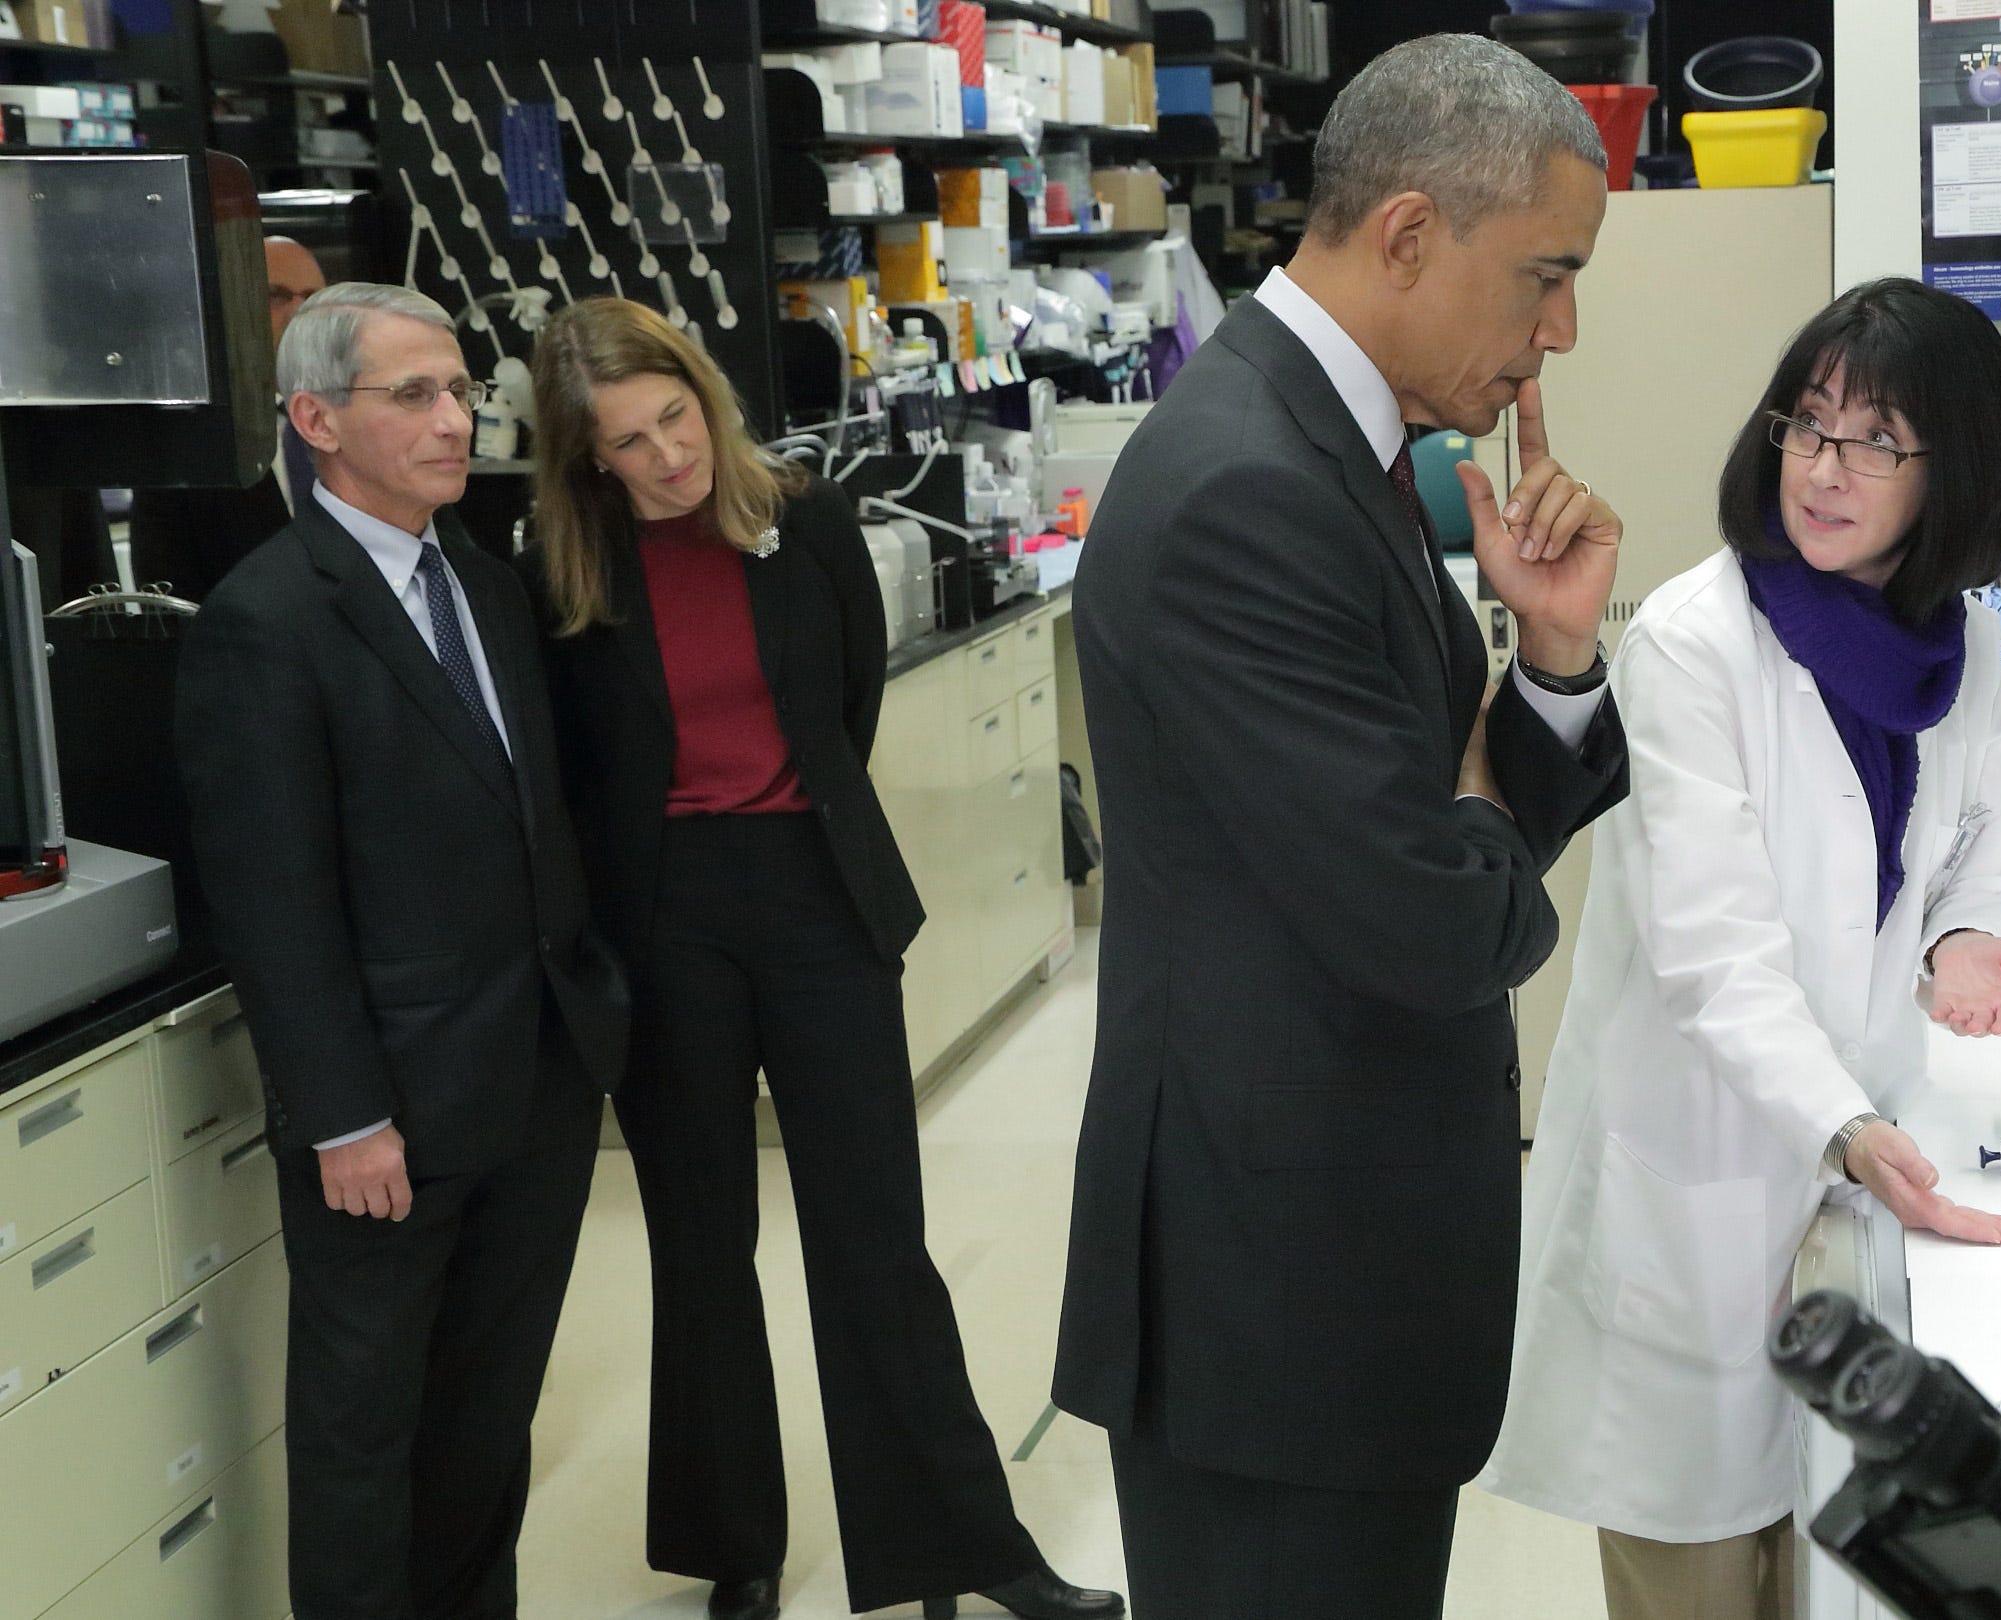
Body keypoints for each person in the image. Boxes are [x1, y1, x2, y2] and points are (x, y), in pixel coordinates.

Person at [1053, 33, 1631, 1620]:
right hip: (1274, 1292)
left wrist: (1551, 664)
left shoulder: (1342, 446)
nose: (1557, 333)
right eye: (1544, 277)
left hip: (1336, 1260)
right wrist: (1457, 829)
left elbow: (1442, 827)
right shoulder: (1248, 485)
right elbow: (1434, 922)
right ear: (1406, 236)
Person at [516, 298, 1118, 1620]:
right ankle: (735, 1549)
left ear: (702, 396)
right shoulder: (568, 575)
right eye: (630, 442)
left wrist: (779, 816)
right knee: (700, 1239)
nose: (668, 457)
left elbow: (846, 705)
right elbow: (576, 774)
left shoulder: (809, 523)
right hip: (665, 919)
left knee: (873, 1234)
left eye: (675, 417)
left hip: (813, 893)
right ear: (588, 462)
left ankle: (962, 1551)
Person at [1479, 279, 2001, 1620]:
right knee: (1695, 1581)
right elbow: (1714, 958)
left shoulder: (1951, 639)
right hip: (1696, 1175)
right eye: (1806, 425)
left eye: (1871, 440)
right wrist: (1843, 1124)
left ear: (1951, 468)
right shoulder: (1692, 644)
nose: (1822, 468)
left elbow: (1980, 832)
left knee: (1824, 1568)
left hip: (1839, 1174)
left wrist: (1970, 934)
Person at [173, 281, 631, 1620]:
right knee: (366, 1436)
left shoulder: (483, 588)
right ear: (316, 419)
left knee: (485, 1421)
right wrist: (343, 1116)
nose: (457, 419)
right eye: (415, 396)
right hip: (388, 1120)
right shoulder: (268, 621)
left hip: (532, 1081)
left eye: (459, 390)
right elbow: (274, 900)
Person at [132, 234, 327, 601]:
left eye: (316, 300)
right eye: (276, 296)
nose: (301, 314)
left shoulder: (368, 421)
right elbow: (169, 602)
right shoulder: (186, 447)